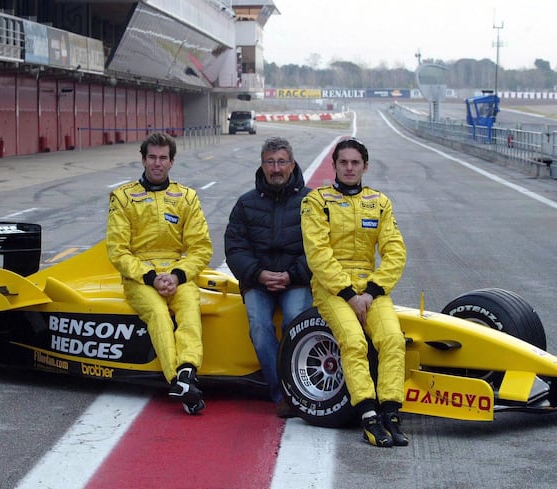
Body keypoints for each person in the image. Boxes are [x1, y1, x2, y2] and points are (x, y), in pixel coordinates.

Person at [300, 137, 409, 447]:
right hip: (331, 288)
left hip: (371, 287)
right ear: (334, 166)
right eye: (343, 162)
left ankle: (391, 412)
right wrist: (349, 294)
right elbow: (317, 253)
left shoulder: (380, 202)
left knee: (392, 340)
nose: (349, 168)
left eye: (355, 163)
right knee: (353, 342)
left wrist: (372, 291)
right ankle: (368, 416)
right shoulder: (316, 201)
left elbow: (395, 251)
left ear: (365, 166)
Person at [106, 132, 213, 415]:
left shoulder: (186, 197)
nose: (157, 163)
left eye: (163, 158)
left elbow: (201, 248)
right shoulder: (123, 197)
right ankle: (178, 380)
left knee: (190, 309)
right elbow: (118, 251)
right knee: (158, 313)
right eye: (151, 157)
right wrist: (152, 277)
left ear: (172, 161)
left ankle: (187, 373)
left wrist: (177, 275)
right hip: (139, 275)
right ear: (143, 160)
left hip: (178, 271)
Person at [225, 136, 312, 418]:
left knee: (294, 324)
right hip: (257, 281)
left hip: (296, 280)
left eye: (281, 162)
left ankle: (298, 388)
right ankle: (284, 393)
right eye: (270, 162)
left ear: (292, 164)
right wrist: (258, 275)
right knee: (260, 327)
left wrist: (290, 275)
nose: (276, 168)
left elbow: (319, 248)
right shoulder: (245, 203)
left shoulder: (312, 201)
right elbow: (235, 248)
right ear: (262, 166)